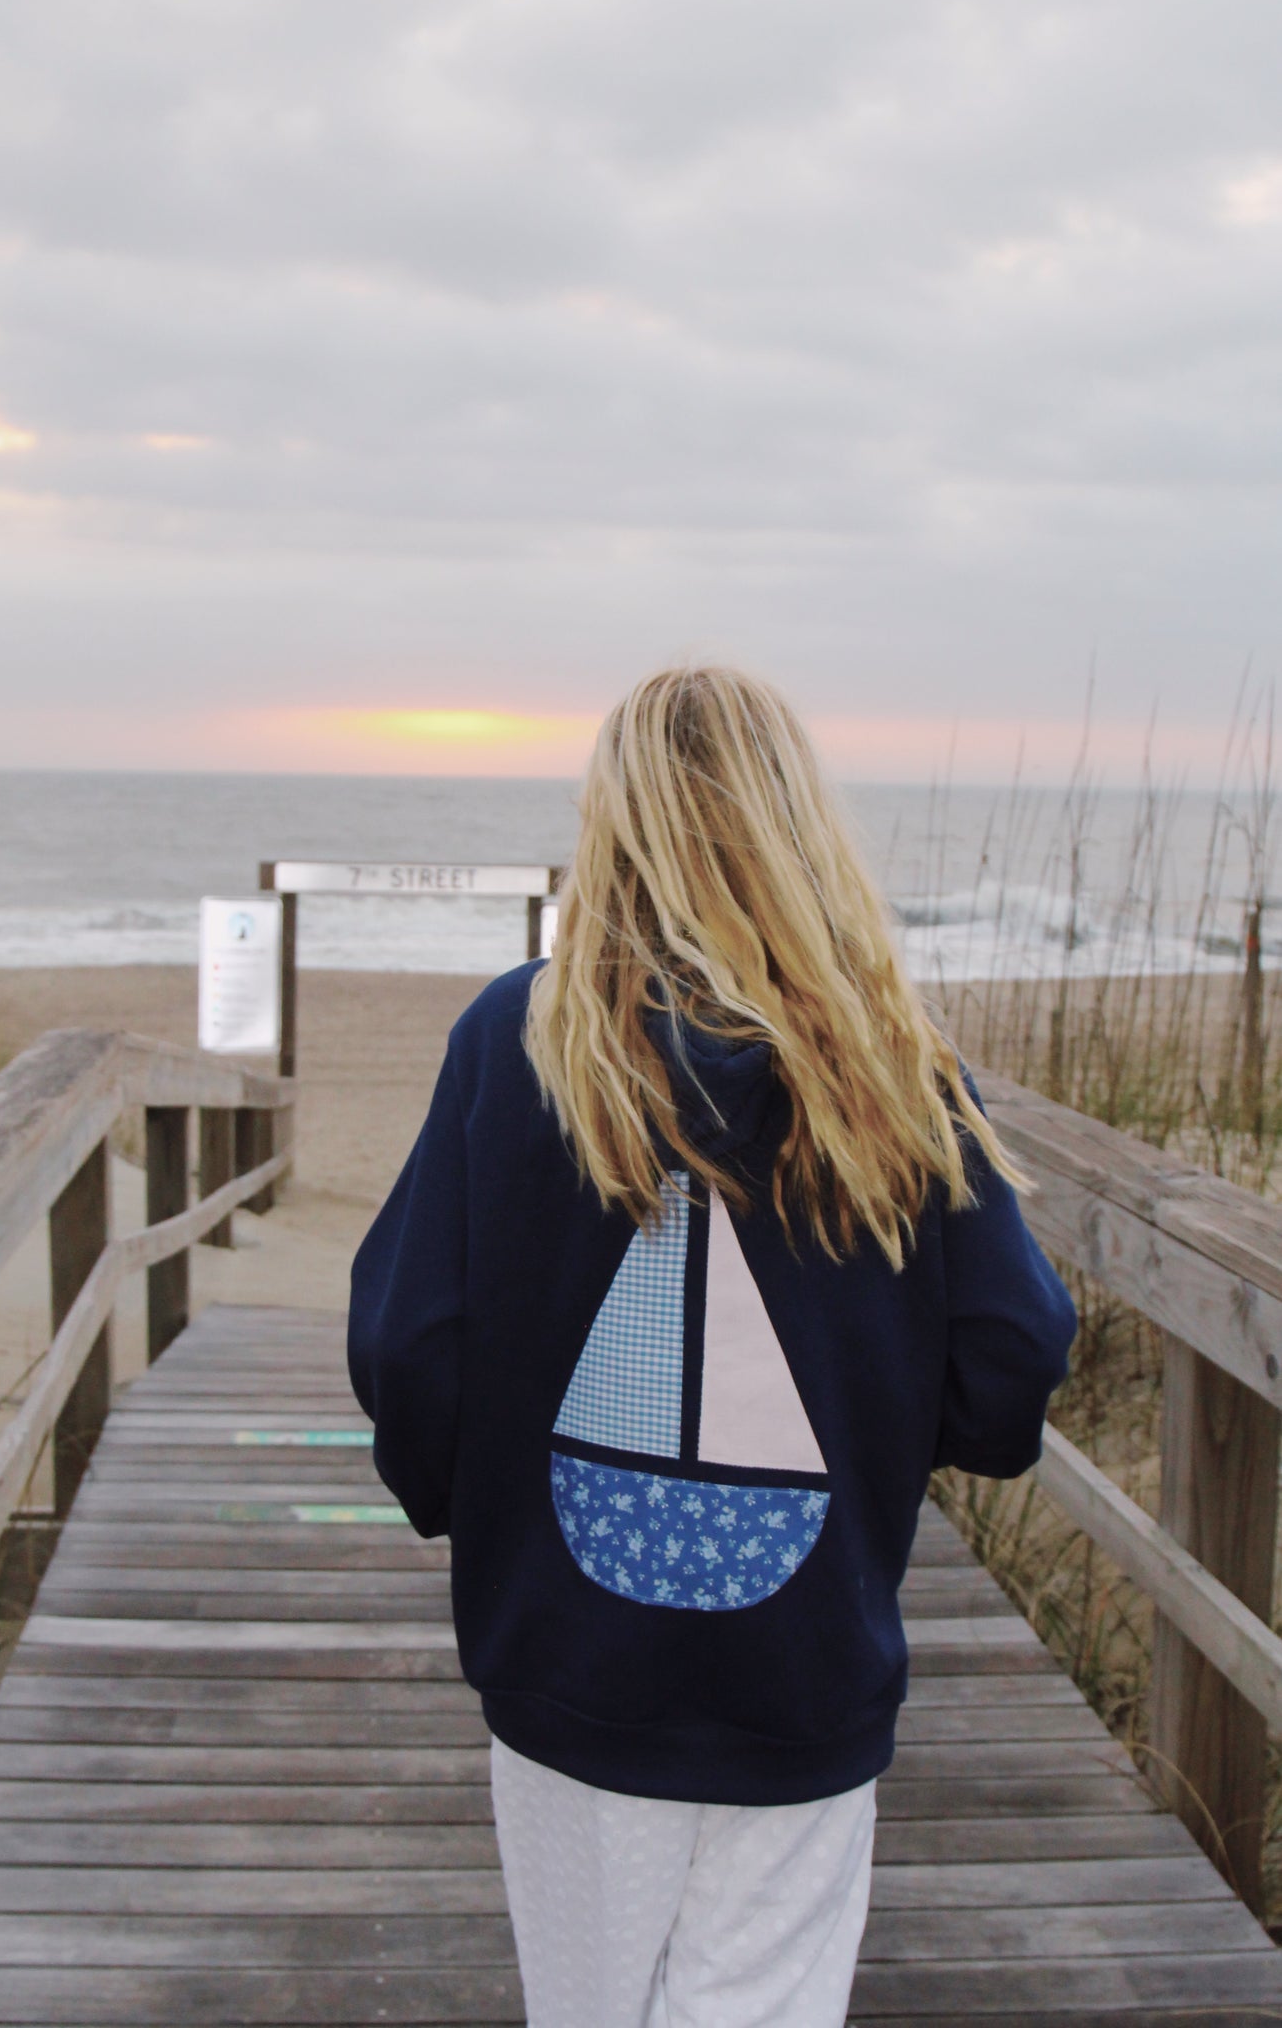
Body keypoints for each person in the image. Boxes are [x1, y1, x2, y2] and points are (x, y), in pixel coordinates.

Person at [349, 665, 1076, 2028]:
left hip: (566, 1668)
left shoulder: (516, 1041)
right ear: (799, 830)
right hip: (806, 1680)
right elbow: (1008, 1355)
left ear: (612, 827)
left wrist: (468, 1503)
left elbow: (411, 1345)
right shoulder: (894, 1067)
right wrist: (882, 1431)